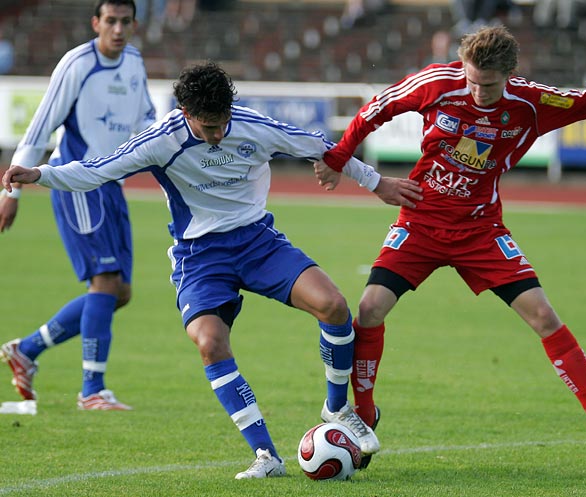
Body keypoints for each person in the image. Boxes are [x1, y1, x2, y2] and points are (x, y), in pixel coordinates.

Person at [2, 61, 422, 478]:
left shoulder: (252, 125)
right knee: (209, 342)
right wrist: (40, 173)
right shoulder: (161, 140)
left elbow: (320, 145)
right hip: (199, 257)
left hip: (257, 241)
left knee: (333, 306)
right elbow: (97, 170)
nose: (218, 134)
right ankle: (266, 456)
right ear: (185, 114)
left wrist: (376, 181)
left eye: (222, 123)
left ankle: (338, 407)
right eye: (207, 128)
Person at [314, 25, 586, 466]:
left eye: (487, 84)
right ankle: (365, 413)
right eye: (471, 79)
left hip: (481, 231)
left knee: (544, 315)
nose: (477, 91)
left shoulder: (530, 103)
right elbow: (376, 109)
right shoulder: (437, 82)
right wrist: (338, 160)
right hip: (421, 222)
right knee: (370, 308)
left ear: (509, 74)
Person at [0, 0, 156, 410]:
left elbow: (147, 122)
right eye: (111, 21)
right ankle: (91, 389)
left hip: (112, 185)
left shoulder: (135, 63)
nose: (118, 29)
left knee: (120, 292)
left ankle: (27, 350)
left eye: (125, 22)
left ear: (134, 25)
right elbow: (39, 128)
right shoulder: (77, 64)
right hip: (78, 181)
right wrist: (10, 192)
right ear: (96, 23)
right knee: (104, 282)